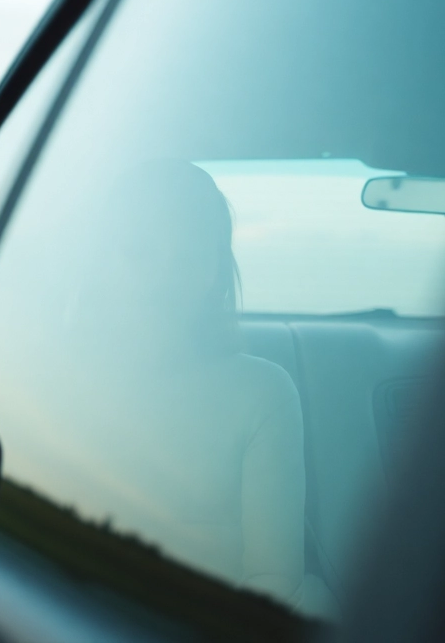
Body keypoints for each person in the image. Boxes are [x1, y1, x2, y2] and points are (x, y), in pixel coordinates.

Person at [54, 160, 309, 605]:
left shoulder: (263, 392)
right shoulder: (43, 384)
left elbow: (273, 574)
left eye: (189, 255)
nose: (165, 277)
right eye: (139, 252)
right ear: (100, 263)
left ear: (215, 272)